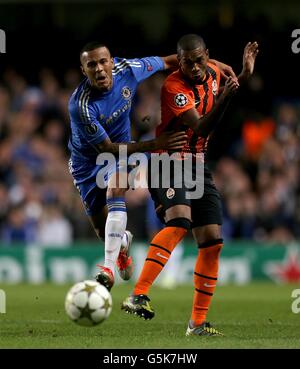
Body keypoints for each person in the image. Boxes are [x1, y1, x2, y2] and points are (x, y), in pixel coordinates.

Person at [68, 41, 238, 291]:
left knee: (115, 189)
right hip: (88, 162)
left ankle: (107, 268)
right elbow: (106, 148)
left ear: (112, 62)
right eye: (91, 65)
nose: (100, 69)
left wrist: (214, 64)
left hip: (126, 151)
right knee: (102, 230)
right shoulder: (79, 106)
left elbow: (170, 61)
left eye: (103, 62)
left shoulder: (128, 69)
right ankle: (121, 243)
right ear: (84, 70)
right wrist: (156, 143)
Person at [122, 34, 259, 336]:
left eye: (200, 60)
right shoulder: (174, 87)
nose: (195, 67)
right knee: (180, 221)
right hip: (168, 160)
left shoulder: (212, 69)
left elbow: (231, 81)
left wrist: (245, 74)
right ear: (179, 61)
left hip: (197, 164)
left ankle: (197, 323)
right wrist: (226, 94)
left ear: (206, 56)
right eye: (188, 62)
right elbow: (202, 126)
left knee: (212, 241)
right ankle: (137, 294)